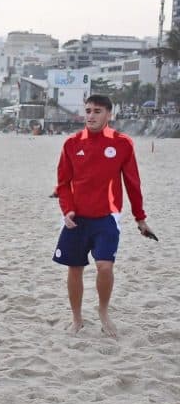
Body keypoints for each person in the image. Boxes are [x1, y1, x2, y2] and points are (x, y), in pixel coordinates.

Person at [53, 94, 155, 338]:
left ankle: (103, 310)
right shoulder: (71, 143)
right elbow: (63, 183)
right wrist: (66, 209)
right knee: (74, 269)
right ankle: (77, 317)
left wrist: (140, 219)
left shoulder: (122, 143)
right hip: (76, 219)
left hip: (107, 218)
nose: (91, 116)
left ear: (109, 114)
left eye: (97, 111)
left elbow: (133, 183)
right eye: (88, 110)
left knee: (105, 266)